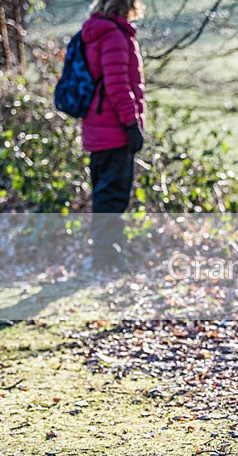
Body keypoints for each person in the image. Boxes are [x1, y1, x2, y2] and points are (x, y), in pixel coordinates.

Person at [81, 0, 146, 271]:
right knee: (113, 196)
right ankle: (106, 260)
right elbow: (118, 83)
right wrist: (132, 124)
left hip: (97, 127)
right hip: (114, 130)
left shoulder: (96, 31)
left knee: (105, 195)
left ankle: (106, 256)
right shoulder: (114, 35)